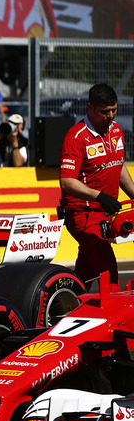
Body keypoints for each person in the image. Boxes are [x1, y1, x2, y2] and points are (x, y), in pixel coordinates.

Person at [59, 83, 134, 290]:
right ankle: (117, 317)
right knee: (107, 267)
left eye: (114, 110)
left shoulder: (116, 130)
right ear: (90, 108)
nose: (110, 116)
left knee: (86, 272)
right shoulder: (76, 137)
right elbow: (66, 182)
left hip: (107, 212)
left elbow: (117, 166)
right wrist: (100, 196)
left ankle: (66, 305)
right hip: (83, 214)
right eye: (104, 111)